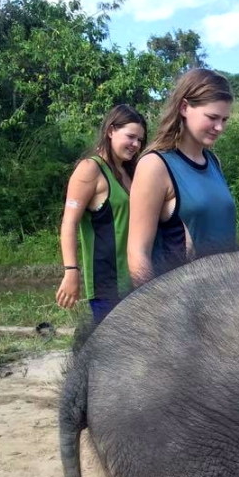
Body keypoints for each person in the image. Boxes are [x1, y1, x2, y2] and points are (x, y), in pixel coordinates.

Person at [127, 69, 236, 287]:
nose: (219, 127)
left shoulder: (213, 162)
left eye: (224, 119)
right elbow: (137, 252)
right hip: (183, 304)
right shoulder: (155, 165)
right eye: (212, 117)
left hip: (226, 297)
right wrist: (154, 308)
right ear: (184, 107)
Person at [56, 105, 147, 323]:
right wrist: (71, 271)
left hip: (138, 279)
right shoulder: (90, 169)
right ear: (110, 130)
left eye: (140, 140)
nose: (136, 145)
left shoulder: (130, 172)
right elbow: (69, 224)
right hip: (108, 283)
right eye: (131, 137)